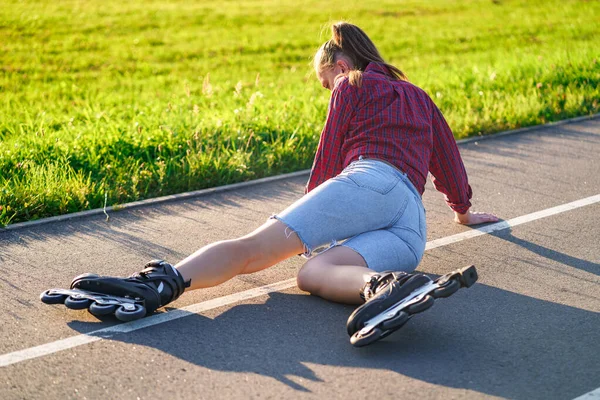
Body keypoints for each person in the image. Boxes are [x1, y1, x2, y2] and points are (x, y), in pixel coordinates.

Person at [44, 22, 498, 342]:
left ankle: (162, 283)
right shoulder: (419, 95)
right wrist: (462, 211)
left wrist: (307, 222)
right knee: (312, 273)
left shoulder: (351, 84)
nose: (327, 87)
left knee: (252, 250)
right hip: (409, 227)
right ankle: (384, 284)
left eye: (324, 81)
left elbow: (329, 158)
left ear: (339, 64)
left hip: (369, 181)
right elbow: (449, 160)